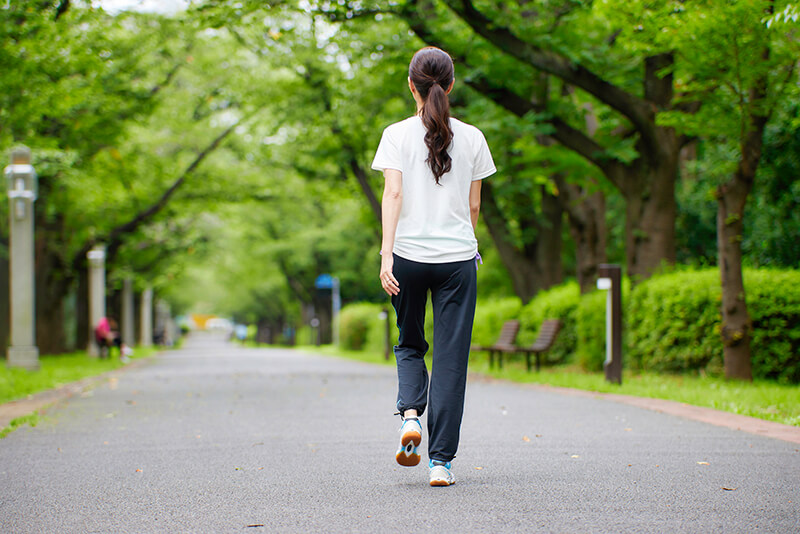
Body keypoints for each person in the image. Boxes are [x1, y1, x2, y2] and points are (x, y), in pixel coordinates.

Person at [371, 47, 496, 487]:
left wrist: (387, 255)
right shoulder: (474, 137)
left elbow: (394, 195)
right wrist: (466, 240)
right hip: (457, 261)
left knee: (409, 344)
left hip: (407, 256)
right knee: (449, 360)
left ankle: (409, 416)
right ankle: (440, 463)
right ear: (451, 84)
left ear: (411, 86)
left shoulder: (395, 134)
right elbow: (474, 203)